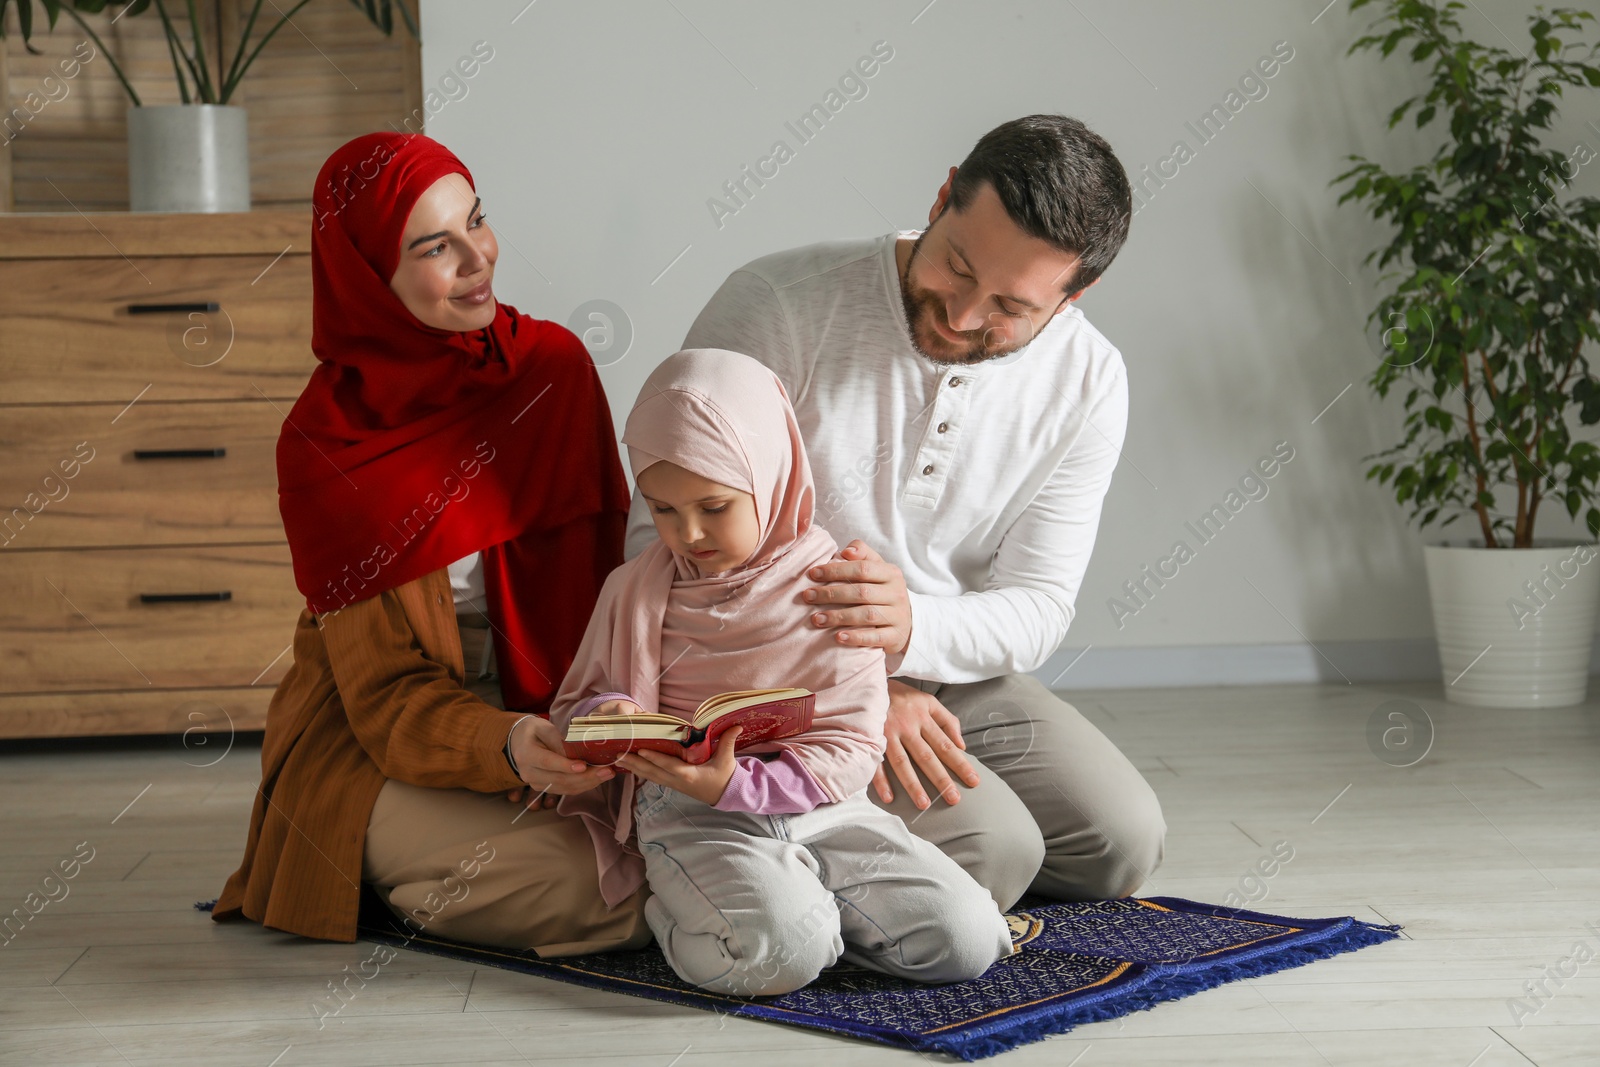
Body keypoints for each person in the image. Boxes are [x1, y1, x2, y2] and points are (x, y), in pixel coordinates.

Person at [625, 114, 1166, 911]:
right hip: (772, 666)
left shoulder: (1091, 380)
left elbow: (1040, 605)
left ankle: (847, 856)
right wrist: (860, 685)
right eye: (957, 266)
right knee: (997, 848)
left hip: (948, 668)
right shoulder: (778, 304)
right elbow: (663, 540)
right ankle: (755, 856)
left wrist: (911, 635)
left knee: (1121, 843)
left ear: (1074, 294)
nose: (963, 316)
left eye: (1011, 306)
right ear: (943, 195)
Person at [213, 132, 650, 955]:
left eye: (476, 223)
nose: (478, 259)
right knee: (599, 887)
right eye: (434, 248)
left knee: (688, 845)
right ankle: (365, 867)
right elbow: (382, 700)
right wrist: (511, 746)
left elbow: (611, 582)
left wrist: (604, 723)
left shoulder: (551, 371)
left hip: (554, 716)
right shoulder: (327, 443)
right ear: (366, 277)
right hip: (377, 737)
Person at [552, 349, 1014, 996]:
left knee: (971, 940)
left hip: (825, 803)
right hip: (691, 809)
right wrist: (607, 717)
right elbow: (575, 706)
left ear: (770, 475)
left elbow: (854, 744)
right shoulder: (635, 588)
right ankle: (703, 913)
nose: (687, 533)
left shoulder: (833, 586)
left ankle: (805, 908)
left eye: (714, 506)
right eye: (662, 509)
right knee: (784, 957)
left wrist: (745, 782)